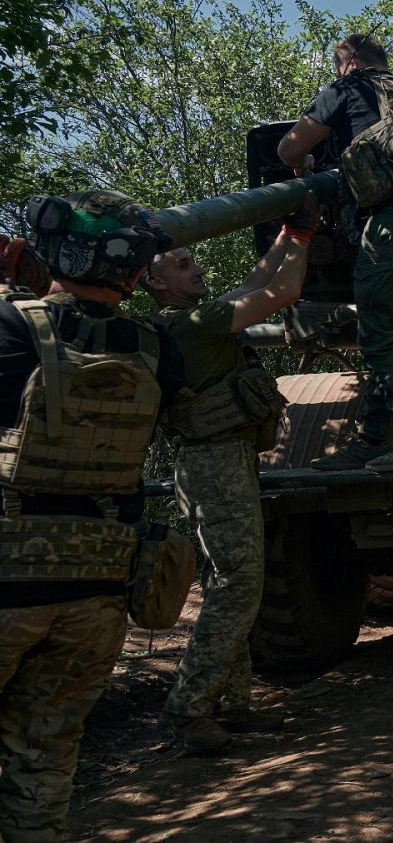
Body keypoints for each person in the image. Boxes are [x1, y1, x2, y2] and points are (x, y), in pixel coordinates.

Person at [0, 190, 185, 841]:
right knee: (45, 754)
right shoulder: (155, 346)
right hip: (100, 589)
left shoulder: (12, 326)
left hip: (7, 577)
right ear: (136, 273)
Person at [140, 206, 315, 754]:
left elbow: (254, 283)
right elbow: (282, 291)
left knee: (228, 581)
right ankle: (189, 708)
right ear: (154, 282)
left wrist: (286, 234)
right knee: (239, 582)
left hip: (212, 461)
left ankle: (232, 702)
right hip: (215, 461)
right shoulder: (196, 323)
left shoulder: (189, 321)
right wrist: (304, 240)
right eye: (184, 263)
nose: (196, 269)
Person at [277, 32, 393, 473]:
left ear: (348, 62)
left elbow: (289, 147)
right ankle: (372, 437)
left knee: (378, 339)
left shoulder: (348, 88)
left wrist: (303, 170)